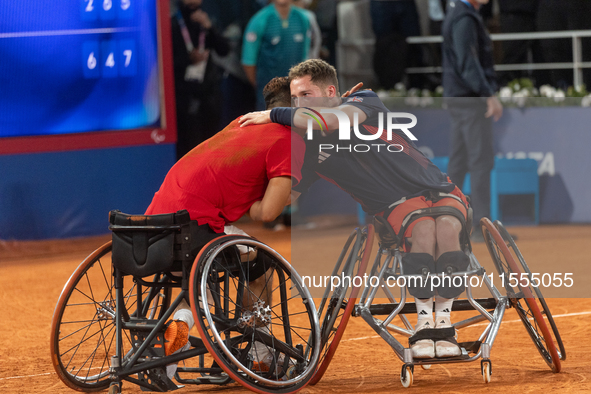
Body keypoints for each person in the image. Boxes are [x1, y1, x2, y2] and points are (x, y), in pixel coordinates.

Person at [240, 59, 471, 359]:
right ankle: (426, 322)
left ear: (330, 91)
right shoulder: (308, 150)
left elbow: (329, 121)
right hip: (397, 206)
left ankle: (445, 324)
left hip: (439, 188)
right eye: (295, 99)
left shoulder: (363, 101)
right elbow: (287, 197)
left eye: (305, 95)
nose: (299, 104)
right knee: (426, 229)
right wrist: (247, 193)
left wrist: (273, 115)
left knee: (447, 228)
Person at [145, 76, 305, 376]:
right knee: (262, 262)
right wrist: (277, 197)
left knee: (196, 278)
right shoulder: (288, 140)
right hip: (196, 226)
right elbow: (267, 213)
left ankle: (175, 338)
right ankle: (259, 352)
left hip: (153, 228)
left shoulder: (241, 123)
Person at [441, 0, 503, 243]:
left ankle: (447, 223)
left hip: (460, 97)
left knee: (460, 161)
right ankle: (481, 226)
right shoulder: (464, 17)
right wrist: (487, 94)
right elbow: (468, 62)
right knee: (480, 161)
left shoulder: (461, 13)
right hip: (470, 99)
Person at [171, 0, 230, 159]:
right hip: (183, 97)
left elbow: (224, 50)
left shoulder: (207, 21)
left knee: (211, 145)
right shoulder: (173, 24)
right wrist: (188, 59)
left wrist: (209, 26)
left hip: (209, 94)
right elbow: (164, 63)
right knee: (189, 148)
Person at [241, 0, 311, 110]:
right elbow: (248, 61)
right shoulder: (260, 19)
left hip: (295, 93)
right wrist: (263, 87)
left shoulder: (302, 19)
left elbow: (305, 57)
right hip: (268, 95)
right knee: (268, 126)